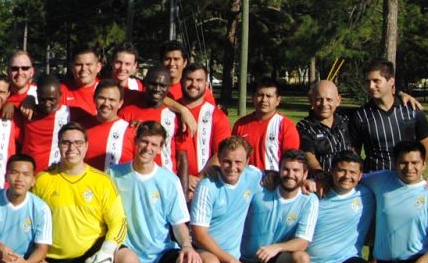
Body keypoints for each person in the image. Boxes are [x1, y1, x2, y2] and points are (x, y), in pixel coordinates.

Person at [34, 123, 141, 263]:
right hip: (60, 261)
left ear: (86, 147)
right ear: (59, 145)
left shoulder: (101, 180)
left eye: (78, 143)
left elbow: (119, 221)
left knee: (129, 261)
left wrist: (108, 251)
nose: (72, 148)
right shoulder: (43, 180)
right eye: (66, 142)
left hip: (94, 255)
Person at [108, 121, 200, 263]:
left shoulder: (169, 180)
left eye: (155, 144)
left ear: (161, 149)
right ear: (135, 141)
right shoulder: (113, 175)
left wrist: (187, 247)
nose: (148, 148)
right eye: (144, 141)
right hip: (131, 258)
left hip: (161, 254)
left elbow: (178, 223)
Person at [188, 136, 264, 263]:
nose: (232, 167)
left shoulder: (253, 176)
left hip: (232, 258)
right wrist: (232, 261)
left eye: (238, 162)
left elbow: (273, 178)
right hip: (206, 253)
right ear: (219, 159)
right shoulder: (207, 187)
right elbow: (199, 234)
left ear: (248, 161)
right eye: (227, 161)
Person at [303, 151, 384, 263]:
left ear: (361, 175)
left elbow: (400, 179)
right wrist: (311, 181)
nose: (347, 176)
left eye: (352, 172)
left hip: (347, 262)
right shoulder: (315, 194)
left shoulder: (367, 194)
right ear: (331, 171)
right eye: (341, 170)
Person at [348, 59, 428, 172]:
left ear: (391, 81)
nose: (371, 86)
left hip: (406, 180)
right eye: (367, 81)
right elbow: (354, 153)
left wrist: (413, 171)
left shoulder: (412, 111)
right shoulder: (360, 116)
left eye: (376, 81)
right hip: (376, 181)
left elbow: (427, 148)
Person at [119, 65, 196, 175]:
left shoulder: (176, 116)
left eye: (162, 85)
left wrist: (182, 190)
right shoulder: (127, 112)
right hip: (134, 177)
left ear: (169, 87)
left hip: (166, 180)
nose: (157, 89)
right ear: (145, 83)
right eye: (153, 84)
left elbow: (182, 158)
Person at [172, 63, 230, 198]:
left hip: (204, 185)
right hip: (171, 183)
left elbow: (221, 153)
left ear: (206, 84)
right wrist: (182, 177)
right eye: (189, 79)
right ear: (181, 81)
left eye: (199, 80)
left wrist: (197, 179)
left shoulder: (216, 115)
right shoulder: (169, 111)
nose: (194, 84)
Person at [232, 76, 301, 171]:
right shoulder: (240, 124)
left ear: (278, 100)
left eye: (269, 96)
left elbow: (291, 162)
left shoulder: (285, 126)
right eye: (260, 95)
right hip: (246, 182)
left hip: (274, 182)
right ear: (253, 97)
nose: (264, 100)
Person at [297, 78, 356, 179]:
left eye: (329, 100)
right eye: (319, 99)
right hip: (320, 182)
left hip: (347, 181)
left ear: (338, 101)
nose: (324, 104)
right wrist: (320, 174)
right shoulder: (304, 126)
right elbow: (308, 155)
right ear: (311, 100)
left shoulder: (347, 122)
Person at [16, 75, 70, 172]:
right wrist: (9, 105)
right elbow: (8, 104)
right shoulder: (27, 111)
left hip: (55, 176)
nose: (47, 104)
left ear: (60, 95)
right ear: (37, 94)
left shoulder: (69, 113)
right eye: (42, 99)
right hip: (28, 175)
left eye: (52, 99)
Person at [82, 79, 137, 172]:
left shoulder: (131, 131)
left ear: (120, 103)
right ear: (94, 99)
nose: (106, 104)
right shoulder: (81, 128)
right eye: (102, 98)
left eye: (112, 100)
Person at [59, 46, 103, 115]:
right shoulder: (61, 91)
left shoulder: (107, 90)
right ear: (72, 67)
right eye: (79, 65)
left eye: (88, 64)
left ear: (98, 67)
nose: (84, 69)